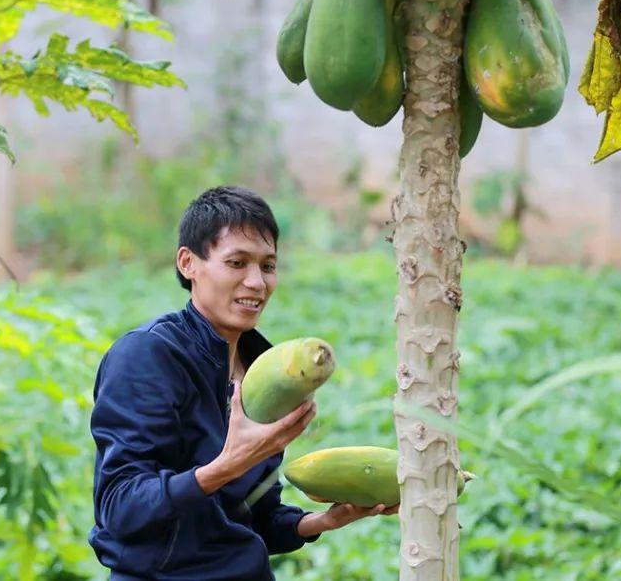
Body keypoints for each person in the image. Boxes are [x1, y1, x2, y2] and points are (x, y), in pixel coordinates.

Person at [88, 186, 398, 580]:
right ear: (188, 263)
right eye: (237, 263)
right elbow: (120, 508)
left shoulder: (268, 371)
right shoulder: (146, 356)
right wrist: (226, 466)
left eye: (268, 266)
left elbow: (253, 516)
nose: (257, 282)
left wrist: (324, 520)